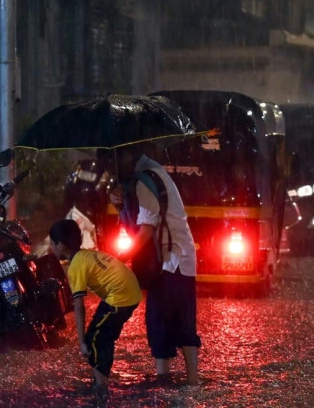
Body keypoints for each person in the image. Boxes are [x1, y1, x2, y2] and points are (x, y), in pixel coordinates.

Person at [109, 142, 201, 385]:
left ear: (128, 157)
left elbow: (145, 230)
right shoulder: (151, 174)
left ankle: (176, 379)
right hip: (176, 258)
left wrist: (118, 260)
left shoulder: (144, 181)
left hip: (172, 260)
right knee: (169, 318)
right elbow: (133, 222)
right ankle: (183, 380)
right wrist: (120, 204)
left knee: (166, 318)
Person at [49, 219, 142, 393]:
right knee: (104, 337)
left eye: (52, 244)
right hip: (129, 292)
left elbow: (79, 306)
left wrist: (82, 341)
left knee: (94, 341)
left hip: (121, 297)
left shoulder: (75, 266)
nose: (51, 249)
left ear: (60, 245)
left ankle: (101, 388)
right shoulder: (87, 255)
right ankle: (102, 380)